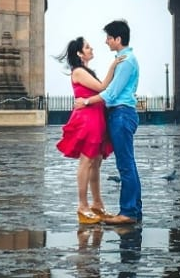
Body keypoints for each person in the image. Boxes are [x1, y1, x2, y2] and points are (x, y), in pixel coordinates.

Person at [74, 20, 141, 225]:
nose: (105, 41)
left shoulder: (126, 61)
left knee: (126, 165)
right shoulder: (123, 59)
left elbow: (111, 94)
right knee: (127, 164)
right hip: (121, 114)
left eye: (109, 38)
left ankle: (129, 212)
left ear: (118, 39)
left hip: (121, 114)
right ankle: (132, 209)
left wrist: (85, 101)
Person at [56, 36, 124, 224]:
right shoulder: (78, 71)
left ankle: (97, 203)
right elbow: (103, 88)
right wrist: (114, 65)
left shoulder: (86, 71)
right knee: (86, 162)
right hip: (87, 120)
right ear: (79, 53)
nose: (91, 48)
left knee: (96, 163)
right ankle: (82, 205)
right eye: (87, 47)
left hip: (96, 118)